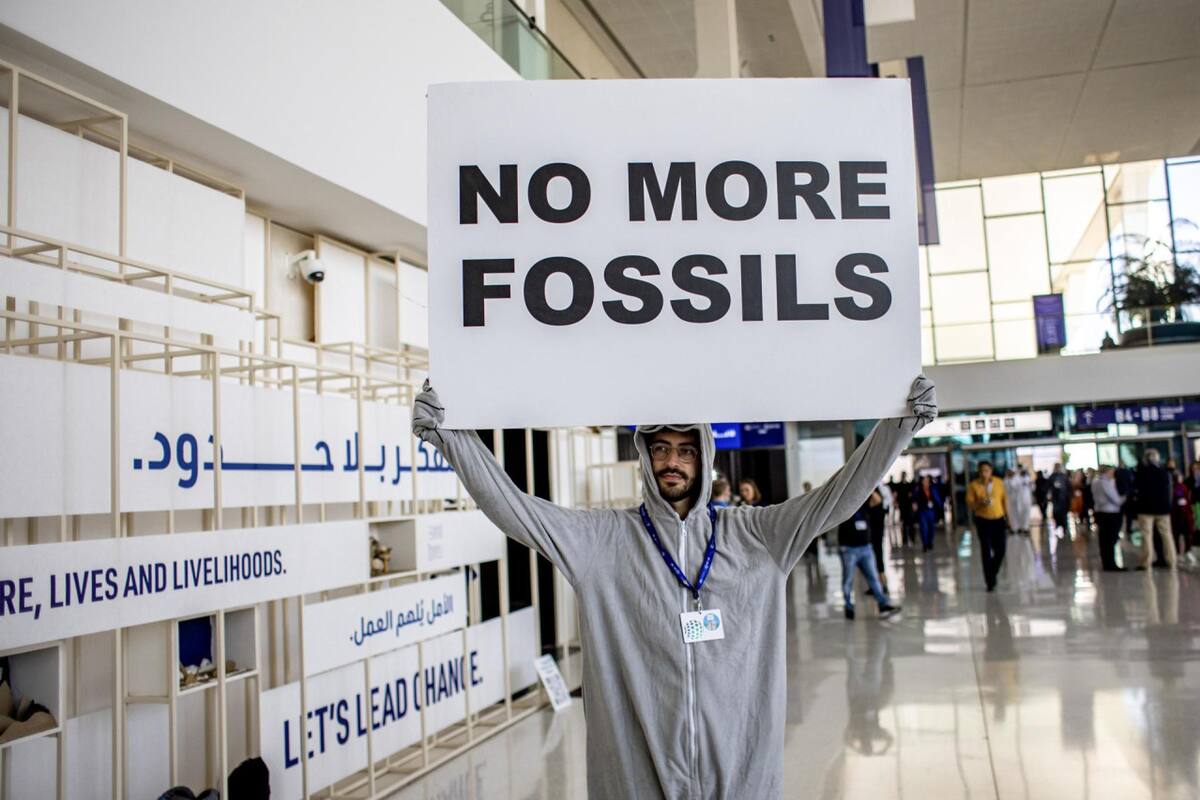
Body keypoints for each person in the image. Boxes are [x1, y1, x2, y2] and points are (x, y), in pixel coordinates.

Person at [412, 376, 937, 799]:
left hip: (739, 775)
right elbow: (517, 510)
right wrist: (452, 440)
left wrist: (899, 428)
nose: (672, 462)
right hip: (637, 777)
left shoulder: (758, 535)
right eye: (661, 449)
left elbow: (837, 496)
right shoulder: (604, 540)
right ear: (645, 457)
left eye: (686, 451)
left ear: (704, 457)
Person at [839, 496, 901, 621]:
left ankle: (883, 605)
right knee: (848, 580)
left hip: (865, 548)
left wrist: (869, 488)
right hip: (849, 549)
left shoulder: (864, 502)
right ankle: (848, 606)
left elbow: (878, 501)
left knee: (873, 578)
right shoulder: (843, 504)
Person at [967, 461, 1008, 592]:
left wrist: (1008, 518)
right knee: (986, 550)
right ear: (979, 472)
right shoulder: (974, 485)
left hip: (998, 519)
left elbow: (1004, 500)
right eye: (982, 471)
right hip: (983, 520)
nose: (984, 473)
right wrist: (980, 502)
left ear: (991, 471)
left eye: (987, 470)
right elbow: (971, 504)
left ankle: (992, 572)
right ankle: (990, 581)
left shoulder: (999, 483)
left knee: (1000, 550)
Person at [1135, 449, 1175, 570]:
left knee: (1147, 536)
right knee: (1167, 535)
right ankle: (1172, 560)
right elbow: (1168, 489)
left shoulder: (1142, 472)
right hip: (1163, 509)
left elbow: (1137, 489)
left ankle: (1146, 562)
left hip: (1146, 509)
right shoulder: (1164, 472)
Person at [1092, 465, 1125, 571]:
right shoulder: (1105, 482)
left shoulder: (1095, 481)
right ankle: (1110, 563)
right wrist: (1123, 499)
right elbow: (1114, 498)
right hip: (1109, 513)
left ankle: (1106, 562)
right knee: (1110, 539)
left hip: (1101, 512)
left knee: (1104, 539)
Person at [866, 487, 888, 590]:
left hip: (876, 537)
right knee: (873, 562)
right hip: (871, 537)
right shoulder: (873, 506)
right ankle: (875, 586)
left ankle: (883, 585)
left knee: (878, 561)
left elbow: (876, 499)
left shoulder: (878, 506)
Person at [914, 474, 941, 552]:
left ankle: (930, 542)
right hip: (923, 511)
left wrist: (939, 506)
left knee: (931, 528)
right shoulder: (918, 490)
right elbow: (914, 499)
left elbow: (937, 499)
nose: (925, 482)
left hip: (931, 511)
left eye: (927, 481)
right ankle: (925, 544)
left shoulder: (933, 489)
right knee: (924, 528)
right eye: (924, 481)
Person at [1171, 470, 1194, 563]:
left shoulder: (1181, 487)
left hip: (1182, 514)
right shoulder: (1178, 487)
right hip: (1180, 515)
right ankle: (1181, 552)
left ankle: (1183, 552)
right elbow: (1181, 500)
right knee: (1181, 534)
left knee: (1182, 535)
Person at [1048, 463, 1071, 537]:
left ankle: (1064, 528)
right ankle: (1058, 526)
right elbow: (1048, 486)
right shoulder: (1052, 477)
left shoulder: (1064, 476)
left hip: (1063, 499)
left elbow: (1068, 487)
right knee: (1056, 514)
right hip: (1056, 500)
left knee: (1064, 515)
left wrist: (1068, 497)